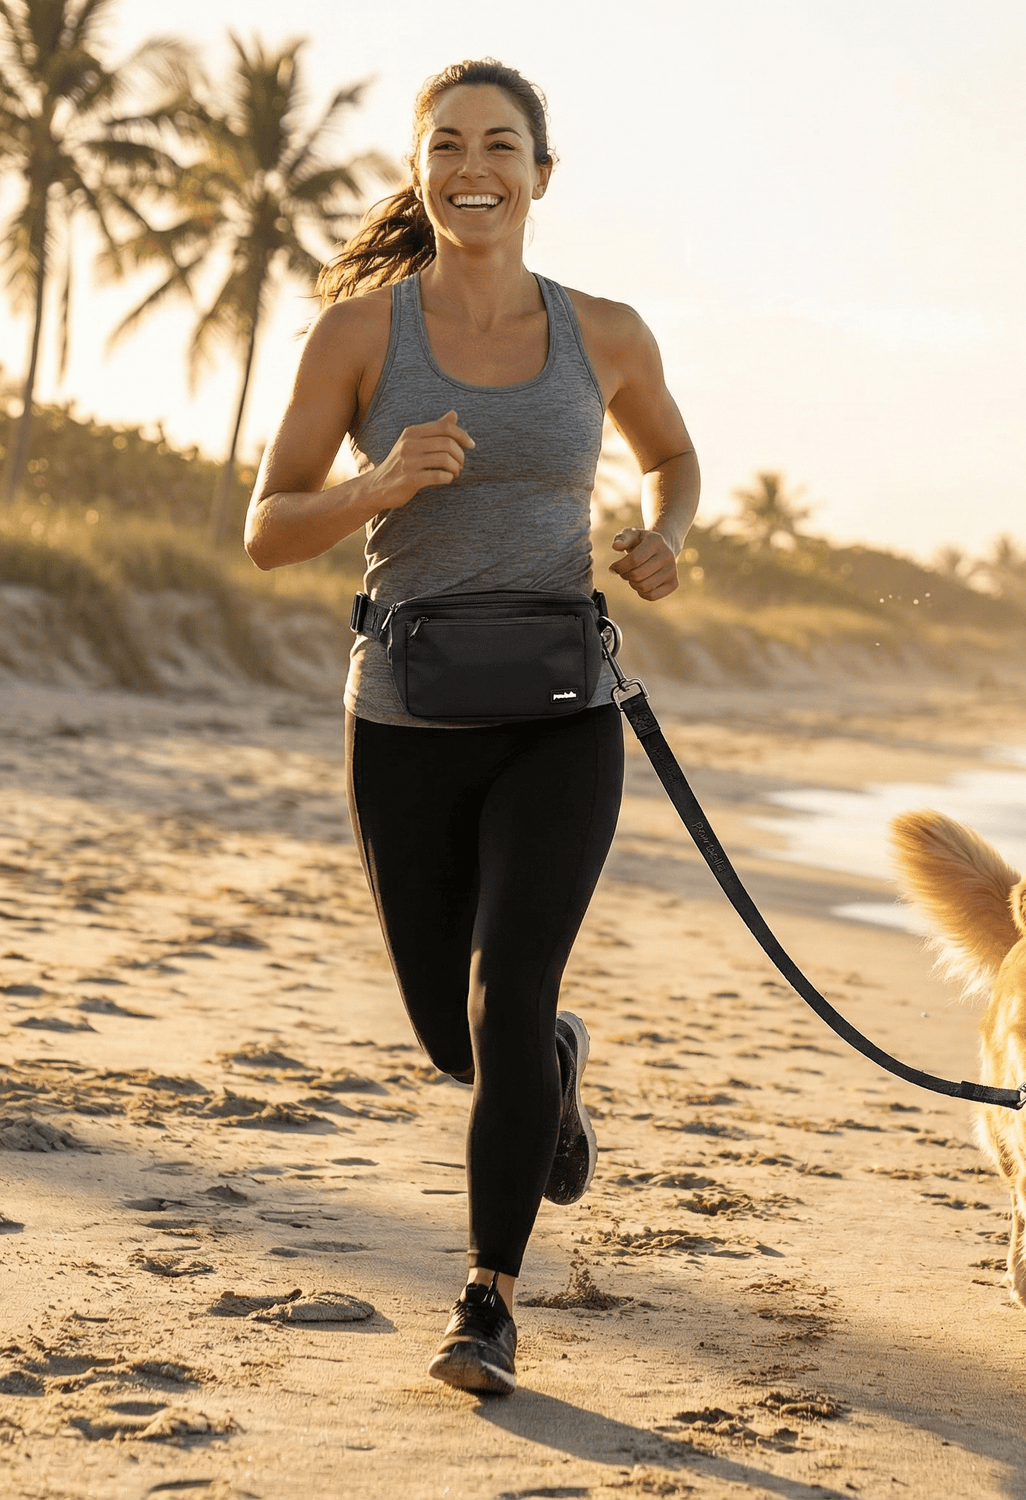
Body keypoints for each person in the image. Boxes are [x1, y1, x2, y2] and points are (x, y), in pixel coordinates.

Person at [244, 58, 699, 1395]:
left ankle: (487, 1302)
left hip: (563, 714)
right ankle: (552, 1063)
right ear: (422, 169)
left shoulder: (603, 331)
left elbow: (673, 456)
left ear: (540, 175)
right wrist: (377, 483)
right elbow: (268, 528)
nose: (472, 165)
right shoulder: (358, 335)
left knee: (507, 998)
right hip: (406, 716)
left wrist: (663, 539)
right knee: (460, 1039)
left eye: (500, 144)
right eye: (447, 145)